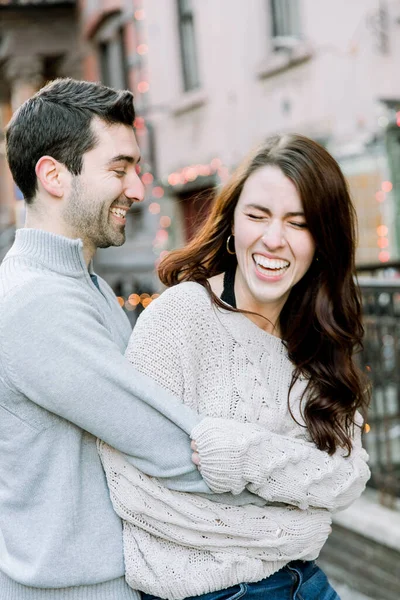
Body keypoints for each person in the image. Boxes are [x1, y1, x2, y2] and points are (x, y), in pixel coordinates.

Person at [0, 77, 261, 599]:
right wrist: (306, 476)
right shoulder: (37, 303)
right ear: (53, 175)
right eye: (119, 169)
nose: (138, 189)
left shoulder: (82, 283)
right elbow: (175, 448)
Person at [99, 134, 371, 600]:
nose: (272, 239)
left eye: (298, 223)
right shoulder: (180, 317)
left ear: (322, 240)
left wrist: (243, 455)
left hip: (307, 582)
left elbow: (348, 477)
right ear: (231, 224)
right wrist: (293, 517)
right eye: (257, 216)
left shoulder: (315, 336)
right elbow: (132, 489)